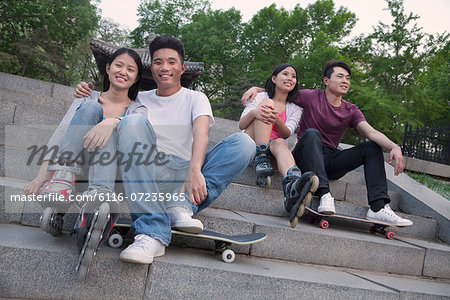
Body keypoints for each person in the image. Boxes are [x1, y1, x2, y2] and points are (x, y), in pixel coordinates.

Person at [73, 35, 256, 264]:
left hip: (183, 174)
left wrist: (195, 170)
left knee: (245, 143)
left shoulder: (196, 98)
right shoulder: (138, 98)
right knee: (132, 123)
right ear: (152, 67)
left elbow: (201, 134)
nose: (164, 68)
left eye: (171, 62)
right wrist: (87, 94)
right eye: (158, 62)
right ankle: (152, 232)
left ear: (183, 68)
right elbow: (109, 103)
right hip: (144, 172)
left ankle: (181, 206)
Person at [241, 60, 413, 226]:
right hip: (305, 156)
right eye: (340, 76)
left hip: (329, 159)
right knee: (312, 133)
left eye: (347, 78)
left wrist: (394, 147)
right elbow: (284, 89)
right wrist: (258, 89)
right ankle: (324, 194)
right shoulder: (311, 97)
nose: (345, 81)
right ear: (326, 80)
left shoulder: (350, 110)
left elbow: (371, 132)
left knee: (371, 147)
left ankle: (379, 207)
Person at [24, 48, 147, 265]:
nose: (123, 72)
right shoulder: (86, 97)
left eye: (130, 69)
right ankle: (61, 182)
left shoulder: (138, 109)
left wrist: (112, 122)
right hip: (78, 170)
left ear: (136, 77)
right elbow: (62, 134)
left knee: (109, 130)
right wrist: (42, 176)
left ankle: (97, 202)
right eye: (118, 65)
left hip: (112, 179)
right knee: (91, 108)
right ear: (108, 68)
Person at [239, 64, 318, 227]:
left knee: (281, 142)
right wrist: (257, 112)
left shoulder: (295, 108)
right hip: (249, 144)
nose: (290, 78)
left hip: (272, 155)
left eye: (294, 76)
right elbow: (241, 124)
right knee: (268, 103)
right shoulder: (260, 97)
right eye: (285, 74)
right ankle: (261, 156)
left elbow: (286, 132)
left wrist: (275, 118)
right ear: (274, 79)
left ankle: (292, 187)